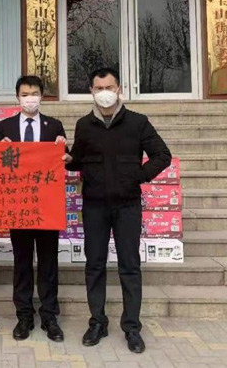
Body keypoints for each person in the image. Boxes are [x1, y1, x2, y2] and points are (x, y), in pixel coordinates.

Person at [67, 67, 171, 354]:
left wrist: (139, 176)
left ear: (119, 89)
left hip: (127, 205)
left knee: (129, 266)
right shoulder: (84, 125)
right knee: (94, 265)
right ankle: (97, 322)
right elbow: (78, 160)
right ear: (91, 91)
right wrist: (65, 158)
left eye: (109, 87)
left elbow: (162, 155)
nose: (105, 93)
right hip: (94, 205)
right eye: (99, 88)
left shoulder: (137, 122)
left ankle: (132, 327)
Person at [0, 75, 69, 342]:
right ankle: (24, 315)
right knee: (22, 262)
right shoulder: (4, 127)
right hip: (18, 205)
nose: (30, 99)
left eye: (35, 93)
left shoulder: (54, 126)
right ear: (17, 97)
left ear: (42, 96)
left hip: (47, 205)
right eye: (25, 94)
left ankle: (49, 316)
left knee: (49, 262)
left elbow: (64, 160)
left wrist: (64, 150)